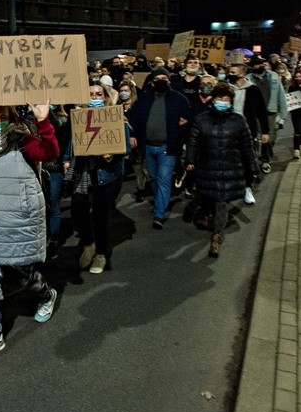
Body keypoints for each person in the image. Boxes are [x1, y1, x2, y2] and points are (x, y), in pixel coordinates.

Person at [0, 102, 59, 361]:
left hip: (16, 223)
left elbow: (49, 151)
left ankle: (46, 295)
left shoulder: (23, 142)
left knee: (25, 276)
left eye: (2, 115)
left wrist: (44, 122)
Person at [185, 84, 259, 258]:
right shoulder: (201, 119)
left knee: (222, 201)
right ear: (213, 99)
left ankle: (217, 236)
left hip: (230, 169)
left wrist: (253, 168)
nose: (223, 102)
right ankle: (204, 213)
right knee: (209, 197)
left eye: (226, 99)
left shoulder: (238, 121)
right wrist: (189, 159)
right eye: (220, 99)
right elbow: (193, 142)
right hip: (207, 167)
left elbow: (247, 147)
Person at [66, 85, 127, 274]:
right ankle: (88, 243)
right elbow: (72, 143)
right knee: (77, 209)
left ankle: (101, 254)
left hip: (106, 177)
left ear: (106, 97)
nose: (95, 97)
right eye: (91, 94)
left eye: (98, 94)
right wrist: (66, 159)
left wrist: (112, 155)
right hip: (83, 174)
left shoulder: (116, 118)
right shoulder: (79, 117)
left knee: (101, 217)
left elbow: (127, 147)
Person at [128, 68, 191, 229]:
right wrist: (133, 134)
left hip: (167, 148)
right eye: (158, 78)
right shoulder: (144, 99)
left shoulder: (179, 99)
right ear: (152, 81)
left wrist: (181, 130)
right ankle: (159, 201)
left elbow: (189, 119)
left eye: (164, 78)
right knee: (154, 178)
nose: (161, 80)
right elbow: (134, 118)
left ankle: (159, 214)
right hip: (148, 148)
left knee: (164, 179)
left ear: (169, 81)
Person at [227, 63, 269, 206]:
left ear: (242, 74)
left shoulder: (253, 90)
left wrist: (265, 131)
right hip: (227, 131)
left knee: (246, 159)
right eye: (229, 72)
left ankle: (247, 188)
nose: (230, 74)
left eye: (233, 72)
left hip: (246, 130)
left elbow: (261, 112)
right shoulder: (225, 88)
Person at [247, 55, 288, 172]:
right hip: (255, 113)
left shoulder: (273, 76)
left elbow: (281, 95)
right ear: (251, 66)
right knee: (256, 137)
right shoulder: (248, 79)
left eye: (261, 63)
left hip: (270, 112)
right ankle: (261, 160)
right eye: (256, 64)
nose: (259, 66)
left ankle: (265, 157)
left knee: (271, 138)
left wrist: (283, 115)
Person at [43, 102, 71, 260]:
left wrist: (66, 160)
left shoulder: (62, 120)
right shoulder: (29, 119)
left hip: (54, 167)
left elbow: (66, 140)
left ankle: (53, 240)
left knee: (53, 203)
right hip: (37, 167)